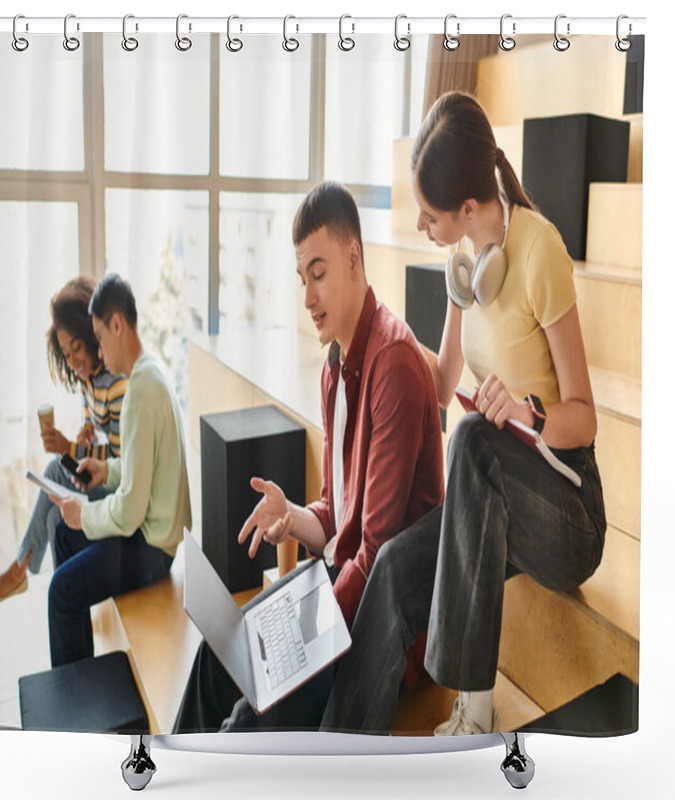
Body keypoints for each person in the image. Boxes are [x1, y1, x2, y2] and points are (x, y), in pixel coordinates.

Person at [321, 91, 607, 736]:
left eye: (430, 215)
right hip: (495, 505)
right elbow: (445, 381)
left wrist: (530, 416)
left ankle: (474, 710)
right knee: (393, 565)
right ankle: (335, 749)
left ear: (469, 207)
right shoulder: (463, 267)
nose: (421, 227)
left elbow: (585, 418)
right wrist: (377, 332)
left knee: (477, 436)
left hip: (567, 513)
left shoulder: (540, 254)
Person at [172, 181, 444, 733]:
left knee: (247, 721)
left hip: (375, 627)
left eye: (318, 274)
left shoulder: (393, 364)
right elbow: (336, 514)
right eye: (302, 279)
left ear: (353, 259)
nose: (308, 297)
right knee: (214, 659)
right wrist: (294, 516)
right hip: (337, 594)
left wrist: (295, 634)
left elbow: (372, 556)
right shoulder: (333, 367)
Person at [48, 273, 192, 668]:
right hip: (154, 538)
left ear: (117, 324)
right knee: (63, 537)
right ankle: (83, 677)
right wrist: (105, 471)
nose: (97, 348)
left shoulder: (139, 392)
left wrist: (84, 514)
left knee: (62, 590)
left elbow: (129, 513)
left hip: (152, 551)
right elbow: (137, 468)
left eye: (97, 335)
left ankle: (78, 710)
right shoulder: (148, 373)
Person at [0, 276, 128, 602]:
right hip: (104, 476)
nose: (73, 361)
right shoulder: (89, 380)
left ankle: (20, 568)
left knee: (57, 466)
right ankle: (67, 597)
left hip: (119, 487)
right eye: (66, 354)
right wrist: (86, 430)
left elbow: (119, 457)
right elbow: (93, 417)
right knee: (57, 517)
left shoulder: (116, 382)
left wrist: (70, 447)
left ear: (91, 336)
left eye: (77, 349)